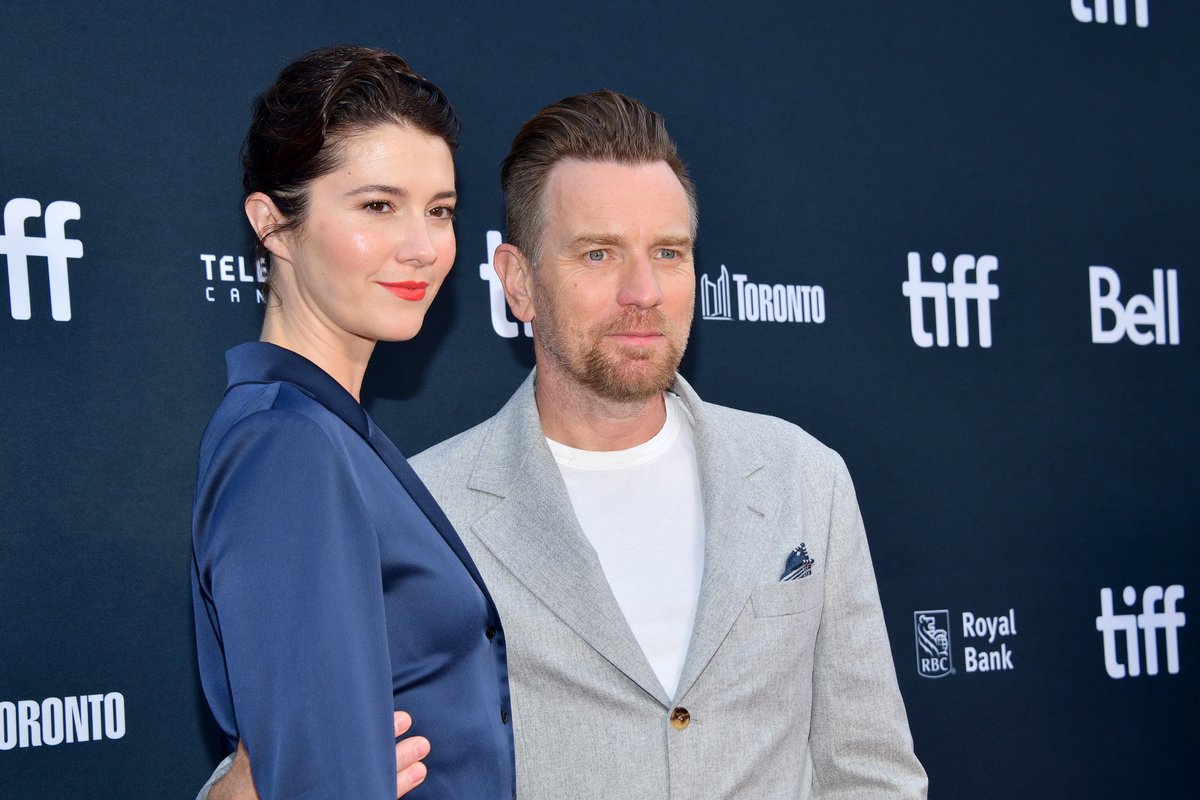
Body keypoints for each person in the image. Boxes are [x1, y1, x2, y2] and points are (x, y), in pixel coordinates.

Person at [202, 89, 927, 799]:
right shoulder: (426, 508)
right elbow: (285, 752)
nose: (642, 290)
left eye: (669, 253)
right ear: (518, 284)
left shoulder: (803, 476)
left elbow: (871, 768)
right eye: (598, 255)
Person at [190, 45, 515, 800]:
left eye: (439, 210)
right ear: (272, 225)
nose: (423, 247)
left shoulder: (328, 432)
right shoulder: (287, 447)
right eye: (378, 206)